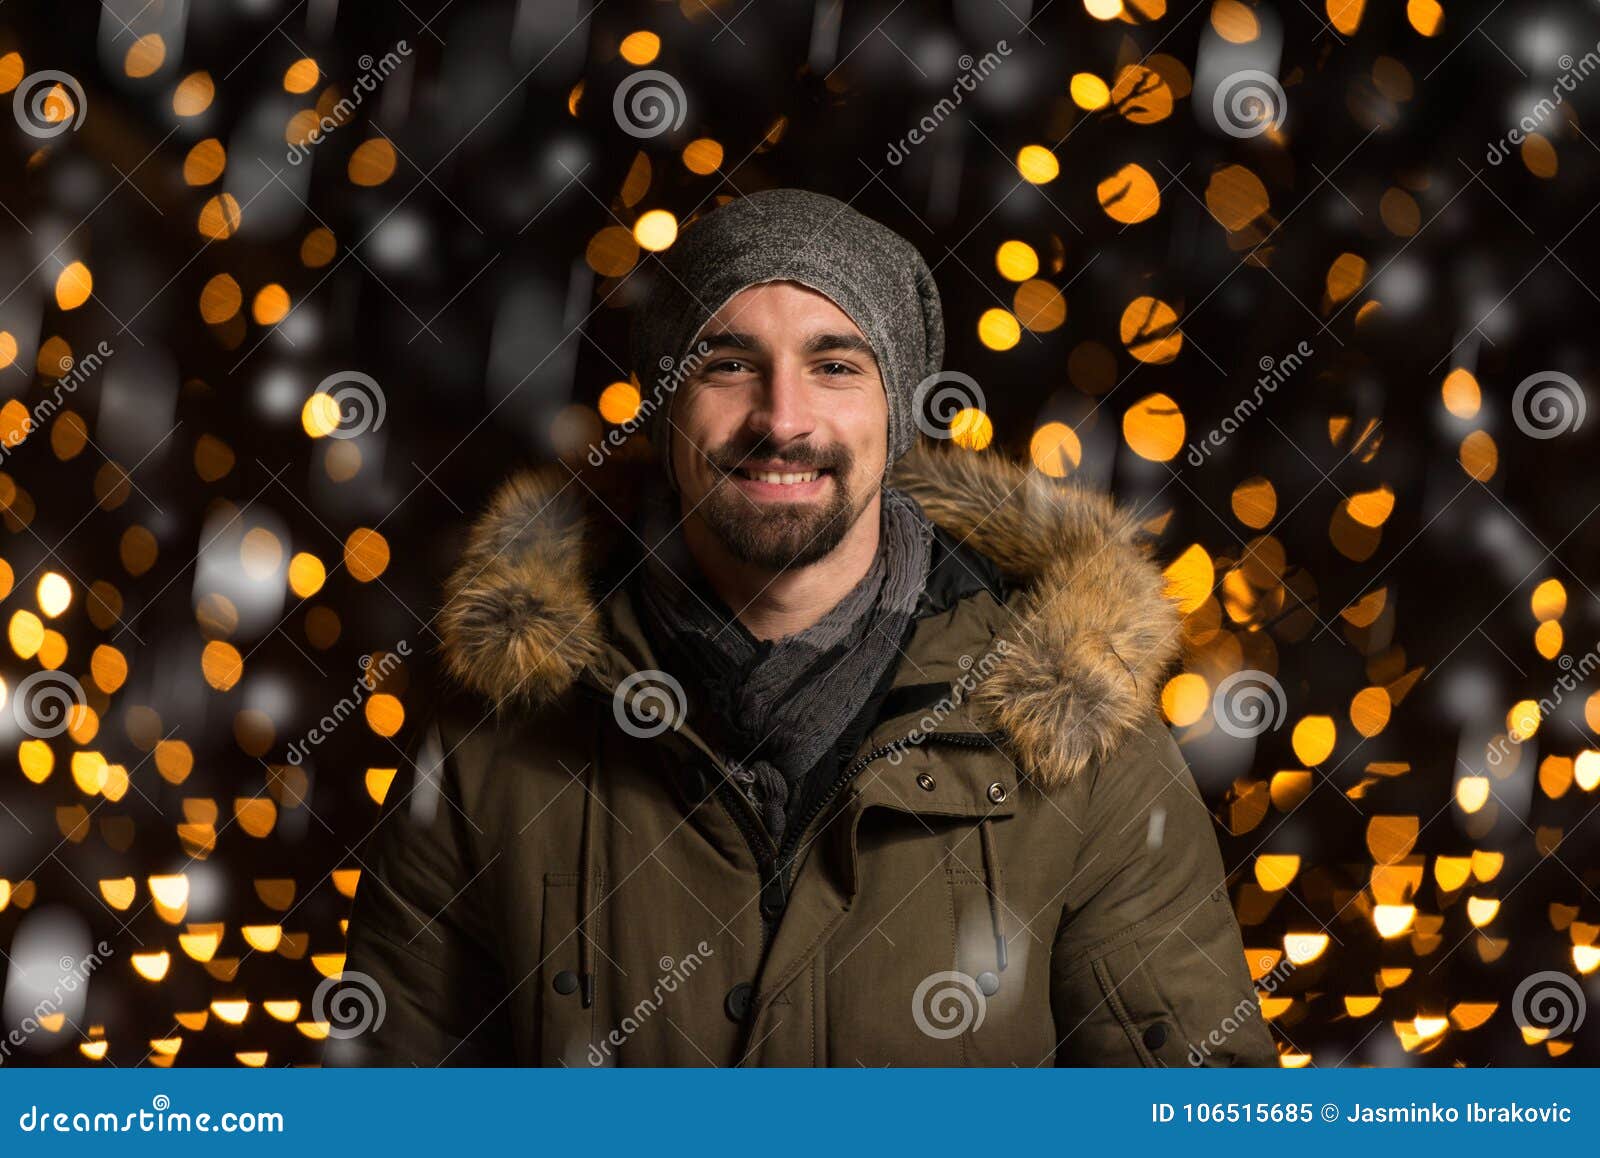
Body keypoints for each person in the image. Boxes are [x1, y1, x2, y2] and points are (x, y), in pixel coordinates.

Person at [335, 187, 1274, 1067]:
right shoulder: (492, 742)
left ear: (897, 413)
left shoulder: (1083, 738)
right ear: (666, 413)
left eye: (835, 366)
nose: (782, 420)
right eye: (729, 364)